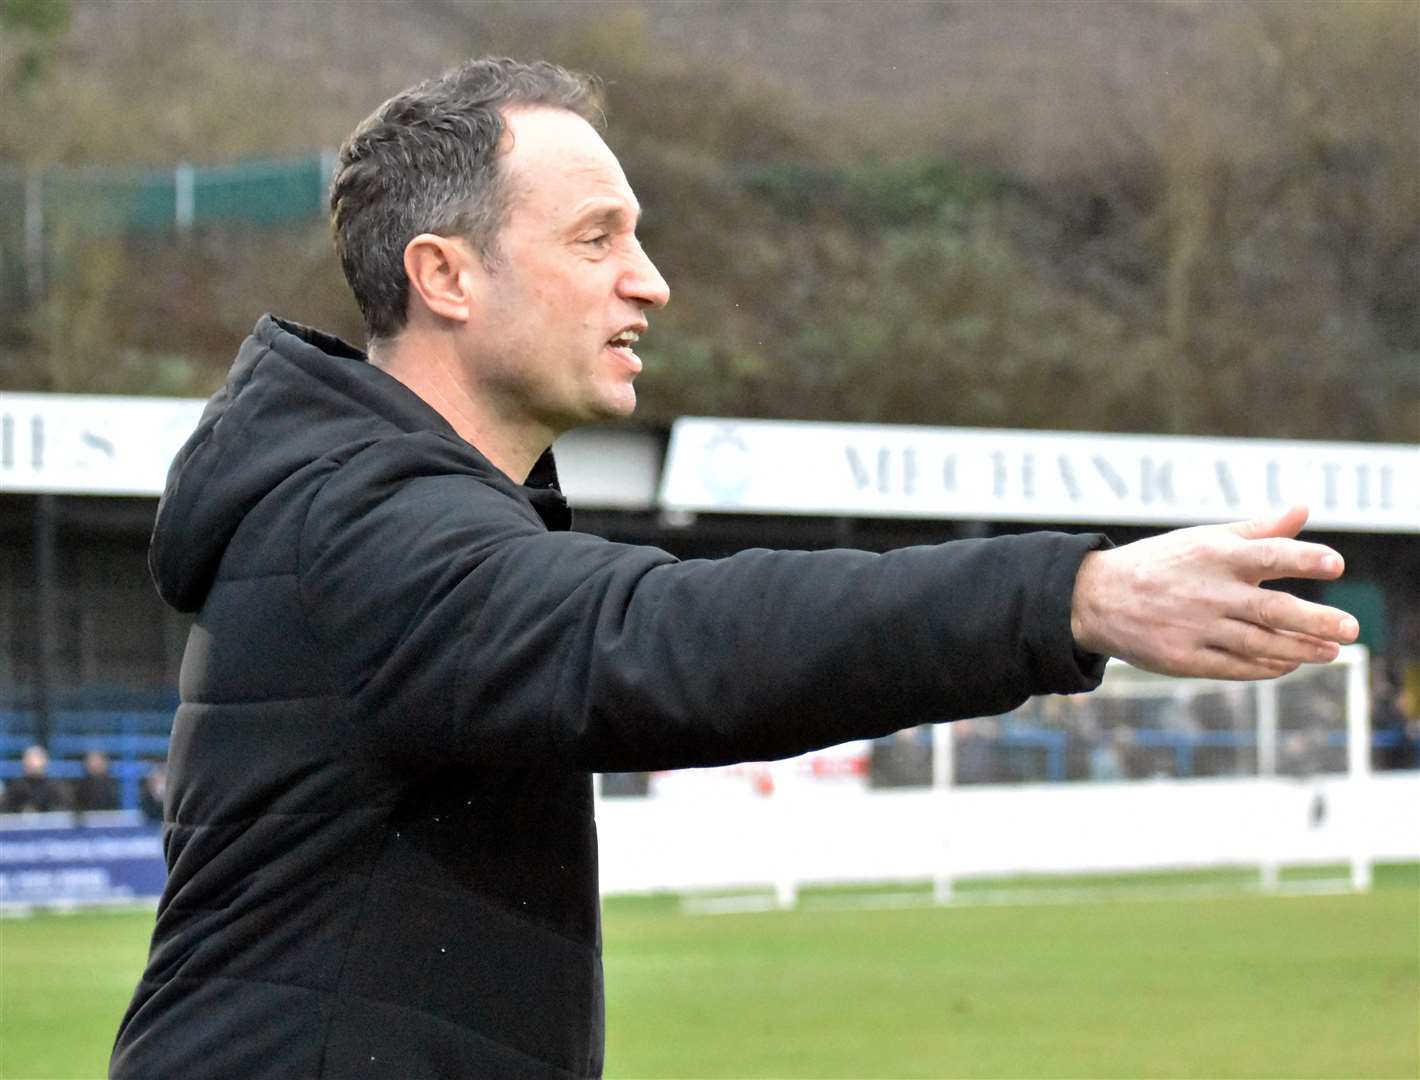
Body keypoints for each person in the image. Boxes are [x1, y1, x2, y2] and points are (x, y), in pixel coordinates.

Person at [110, 58, 1359, 1079]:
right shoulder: (357, 526)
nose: (647, 282)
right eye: (596, 239)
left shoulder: (388, 509)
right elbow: (653, 637)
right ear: (445, 275)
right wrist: (1071, 596)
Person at [1, 744, 68, 814]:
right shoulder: (16, 786)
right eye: (29, 759)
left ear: (45, 761)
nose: (33, 763)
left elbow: (64, 809)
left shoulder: (56, 786)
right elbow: (6, 809)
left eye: (37, 758)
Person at [71, 749, 122, 814]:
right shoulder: (81, 786)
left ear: (105, 763)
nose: (95, 764)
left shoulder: (114, 785)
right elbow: (78, 805)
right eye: (92, 761)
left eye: (98, 761)